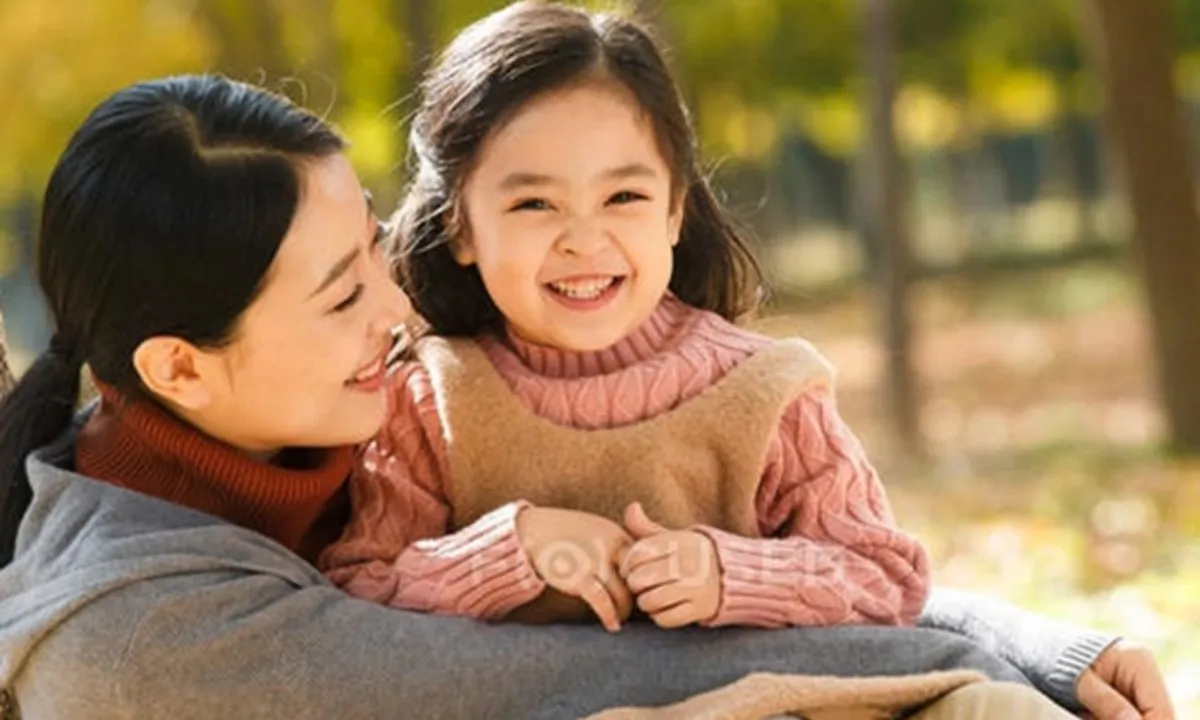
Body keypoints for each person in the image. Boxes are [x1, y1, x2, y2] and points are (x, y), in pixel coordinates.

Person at [0, 74, 1173, 720]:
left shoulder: (339, 425)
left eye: (374, 257)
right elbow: (570, 673)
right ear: (179, 367)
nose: (398, 313)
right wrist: (972, 670)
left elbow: (781, 558)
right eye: (340, 294)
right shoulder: (132, 635)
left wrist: (1025, 640)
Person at [322, 0, 930, 637]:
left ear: (675, 211)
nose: (584, 240)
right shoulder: (427, 401)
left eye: (624, 197)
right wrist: (508, 552)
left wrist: (733, 575)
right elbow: (359, 595)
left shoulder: (769, 392)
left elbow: (886, 578)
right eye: (534, 203)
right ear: (459, 227)